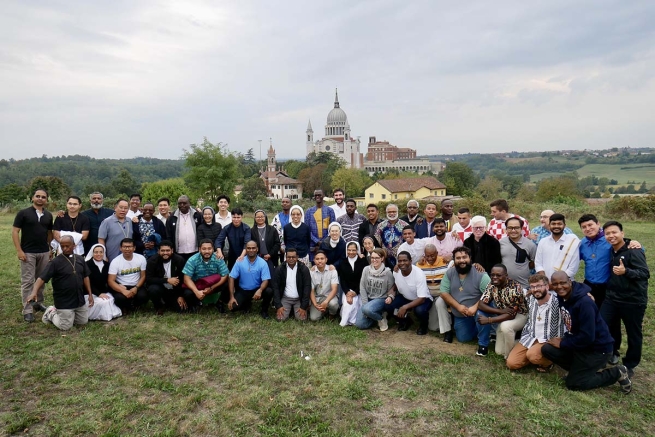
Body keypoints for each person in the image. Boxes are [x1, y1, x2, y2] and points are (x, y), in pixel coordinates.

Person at [541, 272, 632, 394]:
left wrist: (563, 344)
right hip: (581, 345)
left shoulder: (585, 303)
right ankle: (580, 371)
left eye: (563, 283)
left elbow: (588, 337)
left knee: (574, 384)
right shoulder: (562, 297)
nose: (559, 287)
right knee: (547, 349)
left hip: (597, 349)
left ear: (570, 281)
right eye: (555, 284)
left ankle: (617, 372)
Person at [600, 221, 650, 377]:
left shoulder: (633, 250)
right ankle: (609, 353)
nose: (611, 236)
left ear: (622, 233)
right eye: (607, 233)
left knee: (633, 333)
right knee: (603, 324)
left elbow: (644, 273)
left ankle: (630, 364)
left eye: (614, 232)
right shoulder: (611, 250)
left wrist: (625, 271)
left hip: (633, 300)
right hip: (612, 298)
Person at [27, 236, 93, 330]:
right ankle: (51, 312)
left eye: (67, 246)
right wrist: (34, 292)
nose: (65, 248)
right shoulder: (55, 262)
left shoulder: (80, 259)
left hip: (79, 299)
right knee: (65, 326)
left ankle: (69, 315)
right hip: (64, 301)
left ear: (74, 246)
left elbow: (86, 277)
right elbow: (41, 278)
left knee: (82, 322)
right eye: (62, 246)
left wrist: (90, 294)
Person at [577, 213, 641, 309]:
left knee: (609, 318)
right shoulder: (582, 243)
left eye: (590, 225)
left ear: (598, 224)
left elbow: (628, 247)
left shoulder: (610, 239)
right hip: (589, 285)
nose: (587, 228)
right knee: (590, 314)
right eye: (584, 227)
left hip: (608, 285)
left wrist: (634, 243)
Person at [506, 273, 565, 371]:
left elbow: (572, 296)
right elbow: (516, 292)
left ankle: (548, 363)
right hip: (531, 336)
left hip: (549, 339)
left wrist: (587, 294)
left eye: (539, 286)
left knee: (532, 355)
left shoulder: (558, 302)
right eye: (532, 287)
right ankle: (534, 355)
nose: (535, 289)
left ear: (547, 286)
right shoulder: (530, 299)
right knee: (511, 364)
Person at [13, 188, 53, 322]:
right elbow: (15, 232)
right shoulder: (23, 213)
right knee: (27, 281)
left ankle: (38, 302)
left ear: (46, 200)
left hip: (44, 252)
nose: (40, 198)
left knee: (41, 279)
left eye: (43, 197)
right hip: (28, 252)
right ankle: (27, 309)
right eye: (38, 196)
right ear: (32, 198)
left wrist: (50, 249)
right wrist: (19, 250)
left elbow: (49, 233)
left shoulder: (48, 215)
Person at [436, 246, 491, 344]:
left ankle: (484, 340)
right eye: (458, 258)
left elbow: (489, 293)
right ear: (454, 260)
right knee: (463, 338)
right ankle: (476, 328)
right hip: (460, 313)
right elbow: (444, 292)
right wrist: (458, 307)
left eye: (464, 257)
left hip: (477, 310)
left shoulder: (481, 274)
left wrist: (475, 307)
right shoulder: (449, 273)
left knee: (480, 314)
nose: (462, 260)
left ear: (470, 258)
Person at [475, 264, 528, 357]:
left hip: (521, 315)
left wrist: (489, 320)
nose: (495, 277)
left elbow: (511, 314)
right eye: (492, 275)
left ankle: (509, 356)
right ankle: (522, 344)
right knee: (499, 351)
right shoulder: (492, 284)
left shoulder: (515, 287)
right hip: (504, 314)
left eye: (498, 275)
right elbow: (481, 304)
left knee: (505, 326)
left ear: (506, 275)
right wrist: (500, 311)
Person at [385, 252, 434, 335]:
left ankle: (424, 326)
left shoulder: (419, 274)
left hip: (422, 299)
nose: (402, 263)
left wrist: (405, 307)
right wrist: (390, 295)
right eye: (399, 261)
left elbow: (421, 299)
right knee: (388, 306)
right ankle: (406, 321)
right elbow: (396, 285)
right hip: (405, 297)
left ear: (411, 261)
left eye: (405, 260)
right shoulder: (396, 271)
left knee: (419, 310)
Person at [227, 240, 273, 318]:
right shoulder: (240, 261)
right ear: (246, 249)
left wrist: (260, 290)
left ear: (257, 249)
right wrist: (232, 297)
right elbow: (231, 278)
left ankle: (264, 311)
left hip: (257, 289)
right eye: (249, 248)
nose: (251, 250)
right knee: (233, 308)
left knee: (269, 291)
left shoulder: (262, 262)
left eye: (253, 248)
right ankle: (247, 304)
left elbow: (266, 280)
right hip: (243, 290)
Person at [182, 239, 229, 312]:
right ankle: (194, 305)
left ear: (213, 249)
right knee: (187, 293)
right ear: (199, 249)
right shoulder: (192, 259)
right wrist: (196, 291)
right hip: (198, 285)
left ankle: (219, 302)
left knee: (228, 284)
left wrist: (211, 288)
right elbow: (186, 278)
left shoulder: (218, 258)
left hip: (213, 285)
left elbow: (225, 275)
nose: (207, 251)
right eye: (204, 249)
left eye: (209, 249)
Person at [355, 248, 395, 331]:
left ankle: (381, 319)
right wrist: (365, 304)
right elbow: (362, 287)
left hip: (381, 299)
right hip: (369, 299)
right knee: (360, 324)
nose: (374, 260)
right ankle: (376, 317)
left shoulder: (388, 273)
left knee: (367, 309)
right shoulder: (366, 269)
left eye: (377, 258)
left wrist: (390, 297)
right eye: (372, 258)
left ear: (382, 258)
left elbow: (392, 289)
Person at [146, 240, 188, 315]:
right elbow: (149, 279)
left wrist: (180, 295)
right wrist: (167, 280)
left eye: (168, 250)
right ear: (158, 251)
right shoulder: (152, 261)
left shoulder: (179, 260)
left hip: (175, 290)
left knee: (182, 310)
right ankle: (158, 306)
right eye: (163, 251)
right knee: (153, 289)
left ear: (172, 250)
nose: (165, 253)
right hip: (160, 288)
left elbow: (183, 279)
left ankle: (168, 302)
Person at [107, 238, 148, 313]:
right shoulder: (115, 261)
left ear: (134, 248)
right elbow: (110, 281)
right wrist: (123, 291)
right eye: (124, 247)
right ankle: (126, 307)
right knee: (120, 298)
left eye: (129, 246)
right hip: (122, 285)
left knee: (143, 296)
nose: (127, 249)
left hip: (136, 285)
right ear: (120, 248)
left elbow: (143, 276)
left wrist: (136, 288)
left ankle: (135, 305)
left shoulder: (141, 258)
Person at [535, 214, 580, 280]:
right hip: (546, 284)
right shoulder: (543, 242)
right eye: (553, 224)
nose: (556, 226)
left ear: (564, 226)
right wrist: (546, 281)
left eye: (559, 224)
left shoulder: (572, 242)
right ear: (549, 225)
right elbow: (538, 264)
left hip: (564, 284)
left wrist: (556, 283)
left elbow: (572, 269)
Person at [272, 248, 312, 321]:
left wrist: (303, 306)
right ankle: (290, 311)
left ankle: (293, 311)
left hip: (299, 299)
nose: (291, 259)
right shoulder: (280, 269)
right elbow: (276, 288)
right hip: (286, 298)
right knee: (280, 319)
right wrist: (278, 306)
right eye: (288, 257)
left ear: (297, 257)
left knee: (302, 319)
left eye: (293, 257)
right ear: (285, 257)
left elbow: (307, 287)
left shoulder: (304, 269)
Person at [84, 244, 122, 321]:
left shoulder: (107, 265)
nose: (99, 254)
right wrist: (98, 294)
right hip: (90, 293)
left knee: (110, 300)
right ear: (92, 253)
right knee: (103, 303)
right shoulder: (87, 265)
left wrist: (119, 284)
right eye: (96, 252)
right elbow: (87, 283)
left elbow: (110, 279)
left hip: (104, 291)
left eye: (101, 252)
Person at [499, 216, 537, 289]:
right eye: (510, 228)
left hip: (523, 286)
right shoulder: (501, 243)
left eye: (516, 228)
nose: (513, 230)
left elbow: (533, 262)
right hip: (503, 286)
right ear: (506, 229)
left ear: (521, 229)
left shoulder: (530, 245)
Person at [165, 195, 203, 261]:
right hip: (179, 252)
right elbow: (169, 236)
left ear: (189, 204)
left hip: (195, 251)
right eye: (180, 203)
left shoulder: (197, 215)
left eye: (184, 203)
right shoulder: (172, 217)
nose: (182, 205)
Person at [338, 241, 368, 327]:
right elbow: (342, 280)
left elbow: (363, 279)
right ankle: (346, 321)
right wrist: (347, 293)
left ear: (357, 250)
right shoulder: (343, 262)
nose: (351, 252)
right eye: (349, 250)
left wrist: (355, 292)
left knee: (360, 305)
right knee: (349, 304)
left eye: (354, 250)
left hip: (360, 290)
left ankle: (355, 320)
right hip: (347, 290)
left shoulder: (363, 262)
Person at [309, 250, 339, 321]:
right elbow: (311, 290)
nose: (319, 261)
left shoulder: (332, 271)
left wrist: (326, 302)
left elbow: (334, 289)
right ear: (314, 260)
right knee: (314, 318)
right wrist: (315, 304)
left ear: (326, 259)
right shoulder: (311, 272)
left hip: (329, 297)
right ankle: (324, 311)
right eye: (317, 259)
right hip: (317, 298)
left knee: (333, 304)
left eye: (322, 259)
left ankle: (332, 315)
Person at [305, 190, 336, 260]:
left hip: (327, 244)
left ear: (323, 196)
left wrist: (323, 242)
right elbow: (307, 230)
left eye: (319, 195)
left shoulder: (330, 211)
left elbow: (333, 229)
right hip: (313, 246)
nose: (317, 196)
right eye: (316, 195)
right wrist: (317, 241)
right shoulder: (308, 212)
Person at [251, 209, 280, 276]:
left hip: (271, 258)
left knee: (271, 276)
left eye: (262, 216)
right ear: (255, 218)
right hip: (257, 258)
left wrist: (270, 254)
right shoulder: (252, 231)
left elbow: (277, 244)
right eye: (258, 217)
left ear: (265, 217)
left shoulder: (272, 229)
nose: (260, 218)